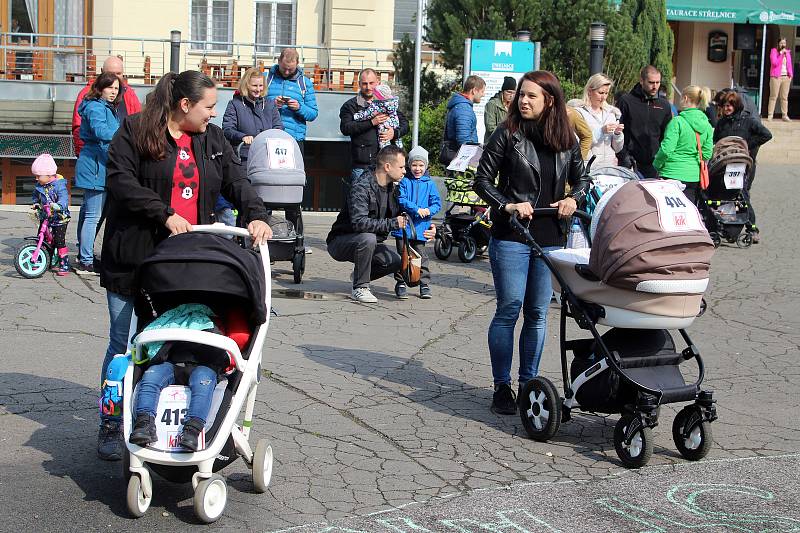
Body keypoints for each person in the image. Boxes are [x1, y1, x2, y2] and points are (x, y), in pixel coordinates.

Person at [96, 70, 272, 461]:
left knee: (179, 347)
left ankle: (185, 421)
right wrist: (163, 213)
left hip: (185, 264)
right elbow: (121, 182)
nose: (214, 113)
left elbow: (237, 181)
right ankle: (112, 422)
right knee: (125, 344)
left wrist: (257, 213)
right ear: (185, 105)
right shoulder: (136, 130)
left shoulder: (210, 139)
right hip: (136, 257)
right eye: (209, 107)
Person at [473, 70, 589, 415]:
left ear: (549, 100)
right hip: (512, 235)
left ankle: (529, 384)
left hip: (551, 236)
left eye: (531, 96)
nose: (522, 101)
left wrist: (574, 199)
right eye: (521, 95)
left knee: (537, 313)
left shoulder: (566, 138)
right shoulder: (507, 134)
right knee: (509, 309)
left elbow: (583, 179)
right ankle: (501, 387)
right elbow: (482, 180)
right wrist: (507, 204)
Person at [326, 145, 435, 303]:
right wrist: (392, 223)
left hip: (368, 242)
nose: (405, 171)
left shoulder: (393, 188)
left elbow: (403, 213)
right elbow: (359, 224)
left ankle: (359, 276)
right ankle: (360, 287)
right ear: (387, 166)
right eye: (402, 167)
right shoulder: (361, 187)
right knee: (368, 238)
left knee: (395, 260)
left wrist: (428, 227)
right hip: (341, 242)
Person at [129, 304, 234, 451]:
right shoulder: (170, 314)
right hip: (170, 361)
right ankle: (144, 422)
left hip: (204, 364)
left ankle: (192, 429)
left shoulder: (217, 320)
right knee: (151, 376)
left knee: (204, 383)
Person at [222, 67, 283, 227]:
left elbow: (278, 126)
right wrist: (242, 136)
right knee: (246, 200)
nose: (258, 89)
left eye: (260, 86)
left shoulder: (269, 105)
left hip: (266, 161)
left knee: (264, 201)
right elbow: (227, 129)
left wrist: (275, 133)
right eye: (254, 86)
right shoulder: (235, 104)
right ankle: (242, 236)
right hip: (244, 159)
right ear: (246, 85)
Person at [74, 71, 121, 275]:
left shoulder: (104, 107)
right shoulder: (95, 107)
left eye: (117, 88)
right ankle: (85, 260)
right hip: (95, 165)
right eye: (110, 87)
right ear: (100, 88)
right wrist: (125, 134)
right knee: (92, 216)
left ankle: (84, 255)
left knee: (88, 214)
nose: (113, 92)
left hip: (97, 164)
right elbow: (101, 132)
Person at [713, 90, 772, 242]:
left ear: (736, 106)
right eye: (724, 105)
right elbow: (716, 141)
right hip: (724, 164)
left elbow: (766, 135)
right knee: (723, 194)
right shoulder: (721, 123)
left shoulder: (748, 121)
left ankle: (752, 228)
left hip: (741, 164)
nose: (726, 108)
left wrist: (746, 146)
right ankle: (724, 225)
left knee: (742, 194)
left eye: (730, 106)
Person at [340, 68, 409, 183]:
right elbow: (346, 128)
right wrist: (371, 122)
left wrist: (394, 133)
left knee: (387, 200)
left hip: (388, 165)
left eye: (371, 83)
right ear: (359, 84)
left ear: (378, 83)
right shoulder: (350, 106)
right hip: (362, 166)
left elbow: (405, 124)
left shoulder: (387, 102)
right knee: (361, 199)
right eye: (364, 84)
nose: (368, 87)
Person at [391, 145, 441, 300]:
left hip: (421, 227)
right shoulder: (405, 182)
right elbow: (402, 200)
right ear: (409, 165)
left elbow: (436, 203)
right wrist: (417, 209)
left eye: (421, 165)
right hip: (404, 227)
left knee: (421, 256)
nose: (417, 168)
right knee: (403, 255)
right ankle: (400, 283)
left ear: (426, 166)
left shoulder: (430, 183)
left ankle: (424, 284)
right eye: (414, 165)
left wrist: (429, 211)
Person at [653, 85, 714, 206]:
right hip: (693, 176)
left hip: (671, 174)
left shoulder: (677, 122)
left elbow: (666, 149)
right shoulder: (706, 124)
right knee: (687, 213)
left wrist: (657, 164)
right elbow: (707, 153)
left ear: (685, 98)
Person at [72, 56, 141, 157]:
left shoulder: (129, 94)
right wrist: (84, 155)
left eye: (118, 74)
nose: (115, 78)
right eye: (111, 74)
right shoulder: (87, 94)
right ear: (101, 72)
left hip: (123, 157)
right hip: (96, 156)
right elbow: (78, 128)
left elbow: (138, 125)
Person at [617, 65, 673, 178]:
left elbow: (667, 135)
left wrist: (662, 159)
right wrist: (623, 156)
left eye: (658, 82)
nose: (655, 86)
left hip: (654, 164)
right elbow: (618, 130)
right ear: (641, 81)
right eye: (651, 82)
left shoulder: (664, 105)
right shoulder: (626, 101)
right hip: (630, 162)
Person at [266, 47, 319, 155]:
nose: (286, 72)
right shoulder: (266, 78)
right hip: (268, 136)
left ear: (297, 63)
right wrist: (272, 104)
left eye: (290, 69)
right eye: (284, 68)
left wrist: (299, 108)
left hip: (294, 139)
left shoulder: (305, 83)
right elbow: (254, 106)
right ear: (279, 61)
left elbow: (313, 114)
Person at [30, 154, 71, 276]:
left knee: (59, 241)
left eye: (38, 176)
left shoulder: (59, 185)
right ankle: (45, 261)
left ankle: (64, 264)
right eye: (35, 176)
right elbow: (35, 196)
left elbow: (64, 199)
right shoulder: (39, 186)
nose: (36, 178)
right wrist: (36, 203)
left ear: (49, 175)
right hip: (46, 217)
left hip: (60, 218)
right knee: (42, 238)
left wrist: (58, 205)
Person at [572, 73, 624, 167]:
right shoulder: (578, 113)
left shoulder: (611, 114)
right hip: (588, 169)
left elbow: (617, 149)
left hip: (609, 169)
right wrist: (601, 131)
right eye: (600, 93)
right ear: (589, 91)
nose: (603, 97)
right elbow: (576, 144)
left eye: (606, 93)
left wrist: (617, 134)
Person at [441, 75, 486, 164]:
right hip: (461, 161)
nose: (483, 95)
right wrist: (472, 161)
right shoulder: (464, 109)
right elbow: (463, 139)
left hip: (457, 157)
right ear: (474, 90)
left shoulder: (461, 106)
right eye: (482, 91)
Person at [353, 84, 402, 149]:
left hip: (384, 125)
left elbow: (367, 114)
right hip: (395, 123)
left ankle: (384, 150)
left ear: (379, 96)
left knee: (383, 139)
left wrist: (357, 116)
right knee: (398, 140)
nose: (373, 97)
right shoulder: (393, 103)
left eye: (374, 95)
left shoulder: (377, 106)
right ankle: (399, 147)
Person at [767, 37, 794, 122]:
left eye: (784, 43)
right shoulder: (774, 51)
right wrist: (781, 54)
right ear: (778, 44)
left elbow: (789, 65)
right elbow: (774, 63)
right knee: (773, 96)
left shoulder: (788, 53)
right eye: (781, 43)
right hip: (776, 77)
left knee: (784, 97)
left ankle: (784, 115)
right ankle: (770, 115)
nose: (783, 45)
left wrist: (791, 74)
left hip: (786, 77)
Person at [484, 76, 517, 142]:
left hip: (509, 144)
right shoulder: (492, 104)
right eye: (509, 92)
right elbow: (490, 127)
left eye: (514, 93)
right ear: (503, 91)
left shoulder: (515, 106)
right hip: (493, 143)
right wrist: (508, 134)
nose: (511, 95)